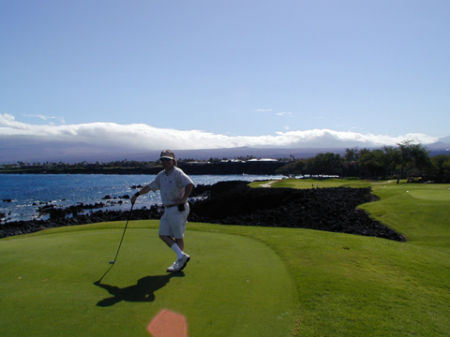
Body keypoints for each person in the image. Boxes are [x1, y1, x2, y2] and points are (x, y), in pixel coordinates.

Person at [131, 150, 194, 273]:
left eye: (167, 159)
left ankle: (179, 261)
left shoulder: (178, 173)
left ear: (173, 161)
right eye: (163, 160)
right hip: (168, 208)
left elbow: (189, 184)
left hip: (178, 209)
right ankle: (181, 257)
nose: (165, 162)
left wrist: (183, 199)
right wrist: (136, 194)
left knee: (178, 236)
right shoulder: (162, 175)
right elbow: (150, 187)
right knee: (163, 234)